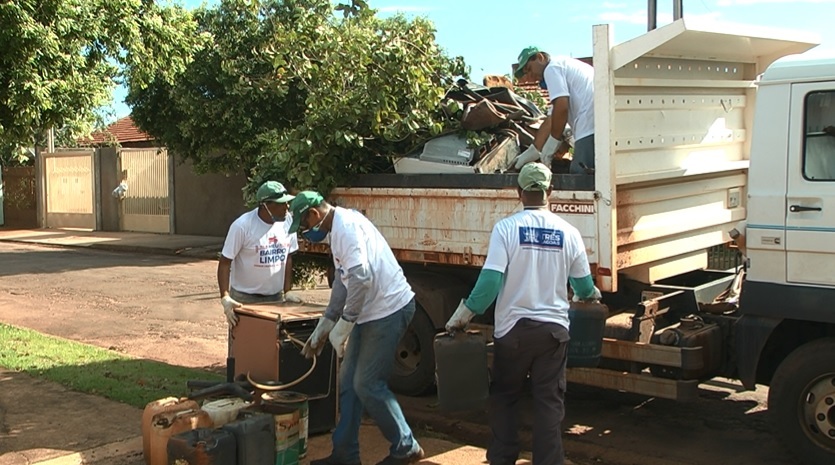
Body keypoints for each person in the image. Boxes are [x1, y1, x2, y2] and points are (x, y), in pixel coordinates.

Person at [445, 163, 601, 465]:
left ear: (519, 192)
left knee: (505, 397)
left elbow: (489, 284)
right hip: (553, 334)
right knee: (549, 403)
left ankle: (502, 458)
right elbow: (583, 286)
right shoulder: (569, 232)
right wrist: (590, 295)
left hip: (513, 334)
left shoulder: (506, 229)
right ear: (550, 192)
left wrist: (461, 317)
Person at [288, 191, 423, 465]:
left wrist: (345, 324)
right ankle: (345, 454)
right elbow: (343, 278)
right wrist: (328, 321)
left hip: (389, 310)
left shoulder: (346, 229)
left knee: (367, 384)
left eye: (304, 226)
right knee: (348, 382)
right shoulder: (337, 229)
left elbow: (361, 279)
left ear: (314, 214)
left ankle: (406, 446)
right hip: (368, 312)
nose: (305, 233)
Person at [217, 180, 302, 327]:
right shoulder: (242, 226)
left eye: (287, 203)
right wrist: (225, 297)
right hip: (244, 300)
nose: (286, 207)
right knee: (245, 344)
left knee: (270, 344)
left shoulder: (288, 221)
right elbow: (225, 262)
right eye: (281, 204)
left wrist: (287, 291)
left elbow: (288, 257)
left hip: (275, 298)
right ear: (265, 205)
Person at [512, 46, 595, 175]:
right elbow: (552, 118)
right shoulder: (563, 66)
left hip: (589, 126)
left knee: (581, 175)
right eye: (526, 74)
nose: (531, 77)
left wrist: (552, 144)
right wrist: (534, 150)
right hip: (596, 121)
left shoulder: (552, 68)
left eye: (529, 69)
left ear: (540, 57)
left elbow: (562, 108)